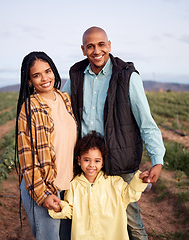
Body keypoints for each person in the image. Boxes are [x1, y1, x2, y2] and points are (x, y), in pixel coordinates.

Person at [62, 26, 166, 240]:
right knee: (86, 218)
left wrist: (157, 159)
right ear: (83, 49)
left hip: (120, 160)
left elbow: (145, 121)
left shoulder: (127, 76)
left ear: (109, 45)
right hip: (88, 162)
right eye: (90, 46)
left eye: (101, 44)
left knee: (132, 221)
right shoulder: (76, 75)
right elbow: (61, 111)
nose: (96, 50)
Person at [15, 51, 77, 240]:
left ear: (54, 72)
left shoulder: (65, 99)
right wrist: (43, 195)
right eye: (36, 75)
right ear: (29, 81)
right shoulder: (29, 108)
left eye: (47, 71)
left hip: (69, 187)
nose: (44, 78)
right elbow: (27, 159)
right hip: (44, 187)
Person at [49, 131, 150, 240]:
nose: (91, 165)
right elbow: (70, 210)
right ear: (79, 160)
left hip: (112, 235)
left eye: (97, 161)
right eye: (86, 160)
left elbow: (130, 195)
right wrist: (59, 208)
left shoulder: (114, 183)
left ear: (102, 163)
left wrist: (139, 181)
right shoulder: (74, 185)